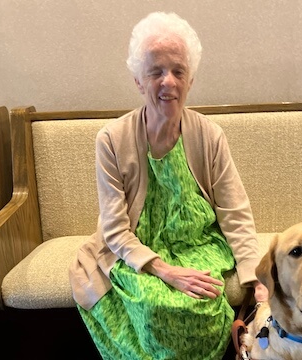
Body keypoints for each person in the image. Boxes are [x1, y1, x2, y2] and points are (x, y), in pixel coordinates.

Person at [69, 11, 268, 359]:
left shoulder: (209, 135)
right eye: (156, 72)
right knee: (153, 304)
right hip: (138, 249)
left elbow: (235, 213)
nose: (168, 82)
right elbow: (116, 230)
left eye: (178, 71)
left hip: (199, 243)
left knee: (202, 303)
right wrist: (165, 270)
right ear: (137, 79)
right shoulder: (111, 140)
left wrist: (256, 278)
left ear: (191, 79)